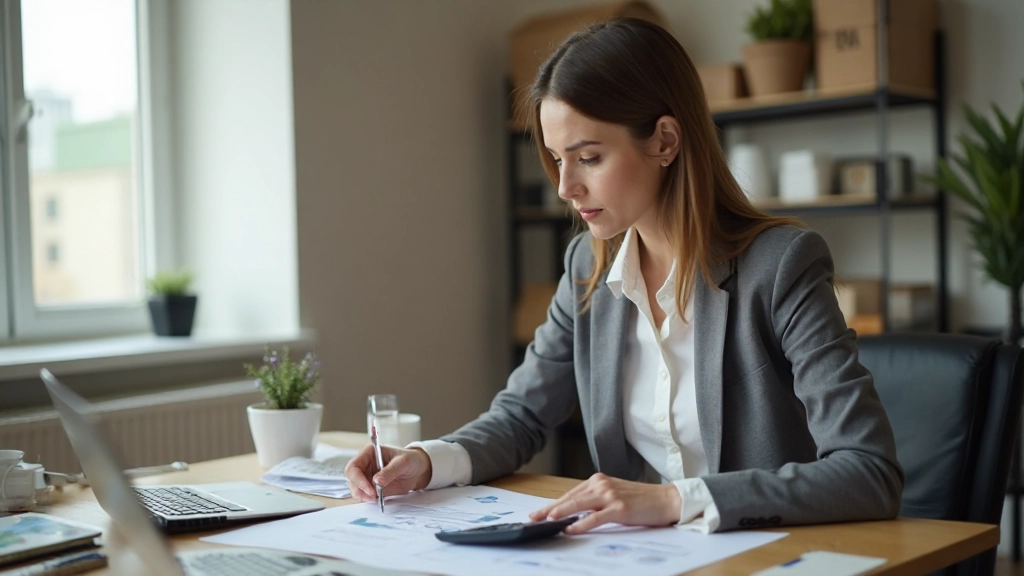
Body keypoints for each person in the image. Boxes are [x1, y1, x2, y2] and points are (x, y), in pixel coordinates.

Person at [345, 17, 903, 534]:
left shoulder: (781, 266)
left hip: (762, 553)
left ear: (664, 141)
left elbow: (869, 471)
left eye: (588, 157)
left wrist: (673, 500)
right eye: (557, 159)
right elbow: (520, 416)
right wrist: (425, 461)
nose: (565, 187)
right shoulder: (587, 267)